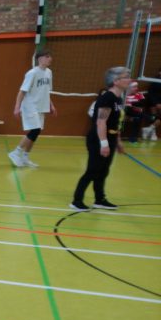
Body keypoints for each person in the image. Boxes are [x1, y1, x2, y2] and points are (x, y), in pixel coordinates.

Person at [70, 67, 131, 212]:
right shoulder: (107, 98)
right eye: (126, 77)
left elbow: (116, 122)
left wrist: (118, 141)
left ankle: (100, 200)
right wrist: (104, 144)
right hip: (98, 139)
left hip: (111, 137)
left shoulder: (118, 98)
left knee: (103, 171)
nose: (129, 80)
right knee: (92, 170)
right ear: (116, 81)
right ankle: (77, 201)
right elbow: (101, 122)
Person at [8, 49, 57, 168]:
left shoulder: (49, 72)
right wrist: (17, 107)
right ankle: (16, 152)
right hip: (30, 106)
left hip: (41, 106)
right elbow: (22, 91)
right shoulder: (32, 73)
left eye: (50, 56)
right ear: (40, 58)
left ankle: (25, 157)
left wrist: (51, 105)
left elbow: (46, 91)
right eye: (47, 56)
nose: (50, 58)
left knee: (37, 132)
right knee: (34, 130)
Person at [144, 67, 161, 141]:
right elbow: (151, 93)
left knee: (157, 117)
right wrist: (156, 103)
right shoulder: (155, 81)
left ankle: (149, 129)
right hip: (153, 102)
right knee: (153, 116)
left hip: (159, 102)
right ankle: (152, 133)